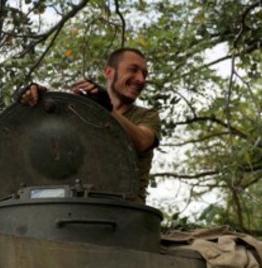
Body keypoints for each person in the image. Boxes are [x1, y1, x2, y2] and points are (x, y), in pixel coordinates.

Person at [16, 48, 162, 204]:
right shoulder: (80, 113)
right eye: (133, 70)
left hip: (124, 212)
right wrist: (31, 101)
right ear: (109, 72)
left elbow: (141, 141)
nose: (140, 79)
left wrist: (107, 110)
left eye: (144, 74)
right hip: (74, 208)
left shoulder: (147, 116)